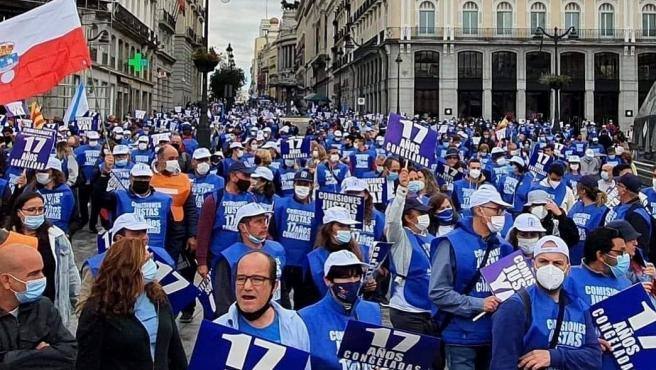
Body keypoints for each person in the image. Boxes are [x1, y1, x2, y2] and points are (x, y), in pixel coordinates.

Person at [430, 185, 514, 370]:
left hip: (493, 335)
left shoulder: (503, 245)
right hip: (460, 337)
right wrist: (479, 304)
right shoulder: (451, 243)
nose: (501, 214)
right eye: (496, 209)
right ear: (478, 210)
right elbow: (438, 292)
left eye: (503, 210)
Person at [490, 236, 602, 370]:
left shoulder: (579, 307)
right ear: (533, 265)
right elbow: (503, 362)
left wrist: (553, 357)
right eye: (543, 261)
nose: (550, 268)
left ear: (568, 268)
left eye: (557, 263)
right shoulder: (516, 306)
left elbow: (594, 358)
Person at [76, 238, 187, 370]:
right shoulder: (97, 310)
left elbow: (175, 349)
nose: (153, 266)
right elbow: (87, 361)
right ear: (128, 269)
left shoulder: (158, 297)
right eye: (146, 262)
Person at [214, 250, 310, 369]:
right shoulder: (217, 330)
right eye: (241, 278)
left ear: (274, 286)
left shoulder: (295, 325)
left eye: (257, 279)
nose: (247, 286)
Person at [7, 191, 80, 328]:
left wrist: (78, 303)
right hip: (16, 312)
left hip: (51, 307)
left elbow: (70, 270)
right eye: (31, 210)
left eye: (41, 209)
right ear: (19, 212)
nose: (37, 213)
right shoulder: (8, 238)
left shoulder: (56, 237)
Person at [299, 250, 382, 370]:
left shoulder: (372, 310)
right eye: (345, 277)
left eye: (356, 276)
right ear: (328, 280)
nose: (352, 281)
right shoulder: (305, 317)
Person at [565, 227, 634, 370]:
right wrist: (588, 340)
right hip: (581, 358)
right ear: (601, 255)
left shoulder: (625, 283)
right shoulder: (570, 278)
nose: (625, 256)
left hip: (618, 361)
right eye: (620, 252)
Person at [0, 243, 77, 370]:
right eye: (34, 274)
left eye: (42, 271)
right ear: (7, 280)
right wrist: (43, 354)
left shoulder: (43, 306)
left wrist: (14, 359)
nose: (42, 278)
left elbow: (70, 352)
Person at [77, 213, 174, 312]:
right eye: (136, 233)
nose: (145, 237)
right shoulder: (95, 266)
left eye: (145, 232)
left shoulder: (156, 259)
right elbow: (82, 308)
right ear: (119, 238)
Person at [385, 166, 437, 342]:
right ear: (408, 217)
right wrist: (402, 191)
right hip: (406, 309)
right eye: (420, 213)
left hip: (429, 308)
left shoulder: (431, 237)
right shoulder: (399, 237)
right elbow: (392, 221)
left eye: (425, 212)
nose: (425, 215)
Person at [150, 144, 198, 322]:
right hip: (156, 232)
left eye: (176, 158)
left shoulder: (184, 180)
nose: (174, 162)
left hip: (178, 231)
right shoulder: (149, 178)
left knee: (182, 271)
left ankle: (186, 306)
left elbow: (191, 209)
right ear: (160, 160)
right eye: (170, 158)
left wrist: (192, 235)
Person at [214, 203, 286, 317]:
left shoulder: (277, 249)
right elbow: (223, 300)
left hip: (273, 315)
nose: (265, 225)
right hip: (244, 319)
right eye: (258, 221)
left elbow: (282, 287)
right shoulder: (229, 258)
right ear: (243, 227)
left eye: (265, 220)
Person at [196, 161, 254, 281]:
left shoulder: (251, 199)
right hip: (218, 258)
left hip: (244, 258)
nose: (249, 180)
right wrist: (202, 262)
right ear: (233, 176)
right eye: (246, 176)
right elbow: (203, 232)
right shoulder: (214, 199)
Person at [270, 169, 318, 309]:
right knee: (279, 303)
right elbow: (272, 232)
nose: (302, 187)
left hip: (305, 265)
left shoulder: (317, 208)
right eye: (299, 183)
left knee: (303, 305)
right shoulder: (281, 204)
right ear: (294, 184)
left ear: (311, 186)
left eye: (306, 184)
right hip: (283, 262)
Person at [306, 207, 371, 302]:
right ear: (329, 228)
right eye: (341, 225)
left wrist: (369, 288)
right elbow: (306, 294)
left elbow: (362, 288)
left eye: (348, 226)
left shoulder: (360, 252)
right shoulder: (315, 257)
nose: (345, 229)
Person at [605, 173, 653, 260]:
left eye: (618, 185)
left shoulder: (638, 214)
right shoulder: (618, 206)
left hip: (624, 263)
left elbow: (639, 247)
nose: (616, 188)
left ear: (624, 190)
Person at [567, 176, 609, 264]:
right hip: (571, 254)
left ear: (583, 191)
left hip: (588, 257)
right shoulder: (577, 205)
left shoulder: (603, 210)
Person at [606, 220, 655, 284]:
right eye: (632, 240)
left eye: (636, 239)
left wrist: (654, 276)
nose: (636, 243)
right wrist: (637, 290)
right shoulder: (609, 265)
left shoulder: (638, 260)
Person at [74, 131, 102, 231]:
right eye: (91, 140)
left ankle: (93, 224)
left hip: (97, 180)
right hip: (83, 179)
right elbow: (75, 164)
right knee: (83, 202)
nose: (93, 142)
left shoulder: (102, 149)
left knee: (96, 204)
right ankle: (84, 219)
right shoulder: (79, 150)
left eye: (95, 140)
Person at [189, 147, 225, 214]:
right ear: (193, 162)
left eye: (206, 160)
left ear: (210, 161)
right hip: (192, 218)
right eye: (200, 160)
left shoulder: (219, 180)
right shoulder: (187, 180)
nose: (204, 163)